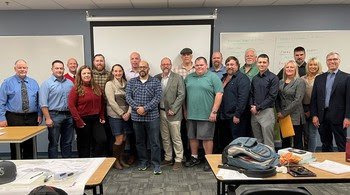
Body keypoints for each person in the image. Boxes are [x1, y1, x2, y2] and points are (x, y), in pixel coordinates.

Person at [184, 57, 223, 171]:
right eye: (197, 65)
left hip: (207, 114)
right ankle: (194, 157)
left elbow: (219, 94)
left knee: (207, 138)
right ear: (194, 66)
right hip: (191, 114)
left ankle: (208, 159)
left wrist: (214, 111)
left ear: (206, 65)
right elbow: (184, 96)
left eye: (201, 65)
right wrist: (185, 111)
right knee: (192, 137)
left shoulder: (213, 77)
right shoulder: (189, 78)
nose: (199, 67)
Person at [125, 60, 162, 175]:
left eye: (144, 67)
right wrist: (137, 108)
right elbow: (128, 96)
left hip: (152, 117)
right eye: (140, 67)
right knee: (139, 142)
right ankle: (143, 162)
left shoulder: (155, 81)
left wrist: (145, 108)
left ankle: (156, 164)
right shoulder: (131, 82)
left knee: (155, 142)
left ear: (148, 69)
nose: (142, 69)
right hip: (137, 117)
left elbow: (158, 97)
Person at [0, 59, 42, 159]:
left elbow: (39, 100)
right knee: (16, 145)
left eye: (24, 68)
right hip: (14, 117)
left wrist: (40, 115)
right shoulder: (7, 83)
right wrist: (2, 118)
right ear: (15, 69)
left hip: (32, 117)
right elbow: (1, 102)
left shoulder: (33, 82)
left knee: (30, 145)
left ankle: (30, 167)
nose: (22, 69)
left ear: (27, 69)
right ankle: (17, 167)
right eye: (19, 68)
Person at [311, 52, 350, 152]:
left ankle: (344, 167)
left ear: (339, 61)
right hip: (322, 117)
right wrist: (314, 115)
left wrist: (347, 117)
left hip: (339, 117)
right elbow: (314, 99)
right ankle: (327, 166)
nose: (332, 61)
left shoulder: (346, 77)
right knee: (325, 144)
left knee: (341, 145)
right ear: (326, 62)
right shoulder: (319, 78)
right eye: (329, 60)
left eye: (335, 59)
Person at [68, 65, 107, 157]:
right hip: (82, 119)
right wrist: (78, 120)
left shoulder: (96, 87)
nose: (87, 75)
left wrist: (102, 116)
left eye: (88, 73)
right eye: (84, 73)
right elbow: (71, 105)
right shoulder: (76, 89)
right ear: (80, 75)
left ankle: (95, 161)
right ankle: (84, 165)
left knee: (101, 140)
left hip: (96, 119)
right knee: (84, 144)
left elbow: (102, 103)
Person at [155, 57, 185, 171]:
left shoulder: (178, 78)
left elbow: (181, 95)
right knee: (165, 137)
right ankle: (168, 158)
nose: (165, 66)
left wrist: (173, 108)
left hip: (174, 113)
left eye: (167, 64)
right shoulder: (157, 78)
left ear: (171, 65)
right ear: (160, 66)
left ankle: (178, 159)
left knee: (176, 137)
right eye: (163, 64)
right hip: (161, 112)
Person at [39, 60, 74, 158]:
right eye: (57, 68)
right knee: (54, 142)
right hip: (54, 116)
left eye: (61, 68)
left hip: (68, 116)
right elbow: (43, 103)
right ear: (52, 69)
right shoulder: (46, 84)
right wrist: (48, 118)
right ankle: (53, 165)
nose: (59, 70)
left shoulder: (70, 83)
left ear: (64, 69)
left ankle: (67, 163)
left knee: (67, 142)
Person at [105, 64, 132, 170]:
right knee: (119, 139)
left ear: (122, 72)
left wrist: (128, 113)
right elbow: (111, 101)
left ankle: (120, 159)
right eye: (115, 71)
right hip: (115, 115)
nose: (118, 73)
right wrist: (121, 113)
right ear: (112, 72)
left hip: (126, 115)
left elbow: (131, 100)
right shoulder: (109, 84)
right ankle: (115, 160)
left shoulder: (127, 84)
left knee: (124, 138)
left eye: (120, 71)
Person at [219, 56, 250, 147]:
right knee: (225, 141)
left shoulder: (242, 78)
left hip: (235, 117)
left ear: (237, 65)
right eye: (227, 64)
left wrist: (237, 114)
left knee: (236, 142)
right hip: (224, 116)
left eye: (232, 64)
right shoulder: (223, 78)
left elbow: (243, 98)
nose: (229, 66)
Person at [250, 54, 279, 150]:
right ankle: (260, 163)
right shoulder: (255, 78)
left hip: (267, 112)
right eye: (260, 62)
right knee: (258, 141)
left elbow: (272, 97)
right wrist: (252, 107)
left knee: (268, 142)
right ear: (256, 63)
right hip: (254, 113)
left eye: (264, 62)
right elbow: (251, 94)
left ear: (268, 64)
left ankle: (270, 163)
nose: (261, 64)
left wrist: (258, 108)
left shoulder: (273, 78)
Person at [276, 60, 306, 150]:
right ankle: (286, 161)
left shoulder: (300, 81)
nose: (289, 69)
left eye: (291, 67)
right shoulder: (280, 82)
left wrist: (284, 112)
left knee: (297, 141)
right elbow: (277, 98)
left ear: (296, 69)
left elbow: (297, 100)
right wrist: (279, 112)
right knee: (285, 141)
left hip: (295, 116)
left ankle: (298, 161)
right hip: (283, 116)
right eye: (287, 67)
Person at [172, 47, 195, 162]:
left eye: (188, 54)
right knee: (181, 131)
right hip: (180, 105)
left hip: (194, 104)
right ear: (181, 56)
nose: (186, 56)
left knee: (193, 130)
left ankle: (194, 154)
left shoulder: (198, 69)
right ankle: (184, 154)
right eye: (184, 55)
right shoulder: (176, 70)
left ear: (191, 56)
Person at [92, 54, 113, 157]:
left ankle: (109, 156)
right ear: (93, 62)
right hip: (94, 109)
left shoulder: (110, 75)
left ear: (104, 62)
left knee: (109, 133)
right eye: (97, 61)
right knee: (96, 135)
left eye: (101, 61)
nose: (99, 63)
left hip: (108, 107)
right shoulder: (89, 74)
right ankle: (97, 157)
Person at [301, 58, 322, 152]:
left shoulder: (321, 78)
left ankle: (312, 154)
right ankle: (305, 153)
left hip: (315, 108)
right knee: (305, 133)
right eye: (311, 64)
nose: (313, 67)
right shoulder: (302, 78)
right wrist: (304, 110)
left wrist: (313, 111)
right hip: (303, 108)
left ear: (318, 66)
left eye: (315, 65)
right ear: (307, 66)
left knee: (312, 133)